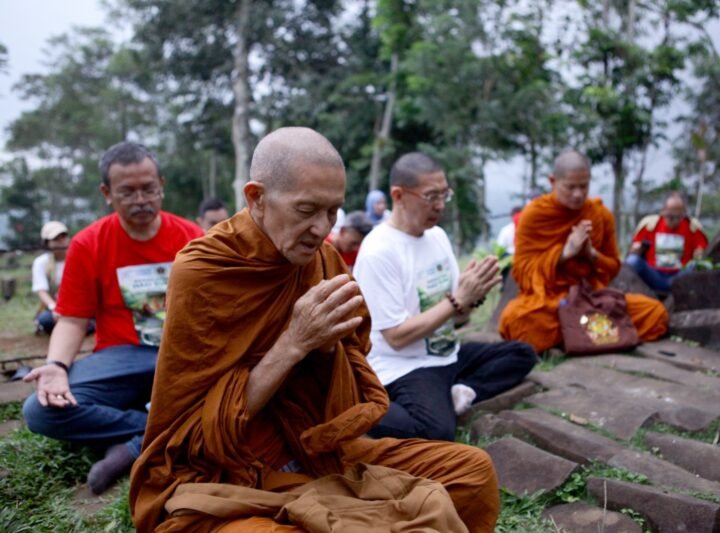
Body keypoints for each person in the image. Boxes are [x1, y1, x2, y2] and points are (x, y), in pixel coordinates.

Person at [129, 128, 500, 532]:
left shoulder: (321, 259)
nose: (323, 228)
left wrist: (327, 349)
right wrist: (294, 342)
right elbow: (195, 433)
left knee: (472, 472)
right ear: (257, 198)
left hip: (316, 450)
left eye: (333, 212)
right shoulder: (205, 271)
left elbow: (349, 377)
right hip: (227, 468)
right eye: (307, 210)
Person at [22, 142, 203, 495]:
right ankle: (155, 429)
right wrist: (56, 366)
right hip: (121, 357)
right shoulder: (89, 243)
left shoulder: (192, 238)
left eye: (149, 189)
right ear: (107, 193)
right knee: (39, 410)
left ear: (162, 185)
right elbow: (73, 319)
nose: (141, 200)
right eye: (128, 192)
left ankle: (132, 447)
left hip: (184, 356)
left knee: (241, 387)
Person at [353, 152, 536, 442]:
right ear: (398, 195)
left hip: (445, 353)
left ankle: (462, 391)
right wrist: (456, 300)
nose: (440, 205)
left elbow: (458, 317)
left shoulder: (437, 236)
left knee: (522, 354)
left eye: (444, 195)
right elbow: (396, 337)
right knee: (437, 431)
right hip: (405, 365)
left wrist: (472, 296)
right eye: (430, 196)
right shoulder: (379, 250)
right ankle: (362, 405)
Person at [499, 149, 669, 353]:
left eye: (584, 186)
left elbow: (614, 267)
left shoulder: (600, 215)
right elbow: (522, 272)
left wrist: (591, 254)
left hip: (591, 299)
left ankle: (574, 335)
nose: (578, 194)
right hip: (552, 302)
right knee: (515, 320)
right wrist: (564, 254)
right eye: (570, 187)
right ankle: (597, 334)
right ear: (553, 182)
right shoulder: (534, 215)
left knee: (655, 313)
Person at [625, 192, 708, 293]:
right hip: (654, 275)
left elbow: (702, 254)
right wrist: (638, 249)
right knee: (633, 261)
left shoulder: (693, 228)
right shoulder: (650, 225)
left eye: (678, 216)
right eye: (670, 216)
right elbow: (632, 252)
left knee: (697, 265)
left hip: (680, 277)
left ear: (684, 213)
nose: (673, 220)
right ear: (663, 211)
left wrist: (699, 253)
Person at [31, 221, 70, 335]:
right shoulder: (41, 263)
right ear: (47, 243)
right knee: (45, 320)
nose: (60, 241)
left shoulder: (78, 257)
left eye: (63, 237)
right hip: (56, 307)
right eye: (56, 239)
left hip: (80, 306)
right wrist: (54, 308)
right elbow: (41, 290)